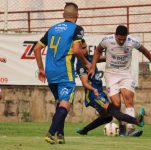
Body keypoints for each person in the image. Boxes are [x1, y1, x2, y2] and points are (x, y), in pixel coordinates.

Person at [89, 25, 151, 136]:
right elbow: (98, 51)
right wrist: (93, 66)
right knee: (116, 104)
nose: (122, 41)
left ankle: (131, 128)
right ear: (115, 35)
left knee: (128, 97)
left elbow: (145, 51)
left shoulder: (132, 41)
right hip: (111, 75)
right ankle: (122, 126)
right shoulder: (107, 40)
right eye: (119, 39)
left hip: (125, 74)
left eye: (124, 39)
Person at [34, 2, 90, 144]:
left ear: (63, 14)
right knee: (65, 105)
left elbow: (36, 49)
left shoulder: (52, 29)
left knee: (60, 103)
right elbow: (77, 50)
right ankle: (51, 132)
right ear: (77, 16)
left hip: (50, 72)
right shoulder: (77, 29)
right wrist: (86, 62)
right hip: (65, 72)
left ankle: (60, 134)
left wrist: (41, 69)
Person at [76, 39, 145, 136]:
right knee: (114, 110)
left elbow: (104, 58)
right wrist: (93, 89)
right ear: (77, 50)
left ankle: (84, 130)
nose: (85, 49)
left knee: (108, 117)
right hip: (93, 95)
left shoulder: (91, 58)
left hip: (99, 93)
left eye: (85, 47)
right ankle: (135, 121)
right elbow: (84, 83)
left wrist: (118, 54)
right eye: (83, 48)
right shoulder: (81, 64)